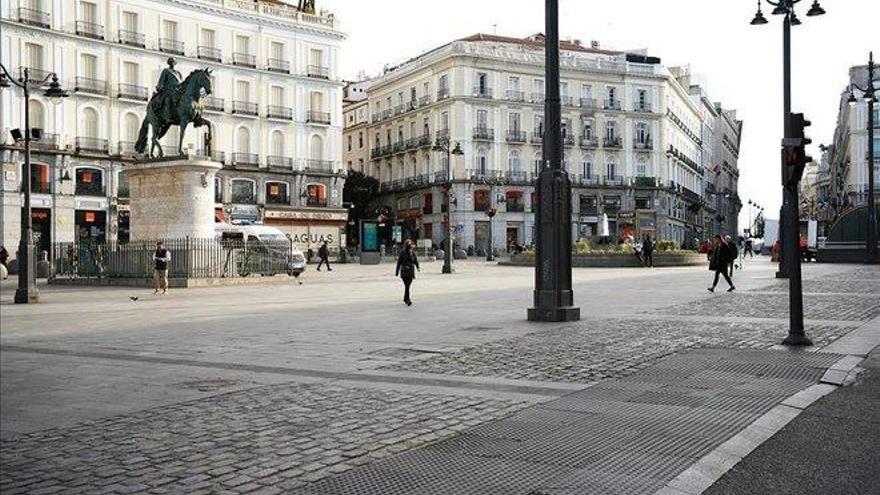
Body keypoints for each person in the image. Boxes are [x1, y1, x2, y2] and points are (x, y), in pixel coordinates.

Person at [395, 239, 420, 306]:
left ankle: (405, 298)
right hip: (404, 271)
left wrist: (418, 267)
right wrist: (397, 271)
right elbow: (399, 263)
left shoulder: (413, 253)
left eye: (410, 245)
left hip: (411, 271)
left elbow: (416, 261)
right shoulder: (402, 253)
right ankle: (407, 299)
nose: (409, 246)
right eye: (408, 245)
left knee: (407, 286)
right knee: (407, 286)